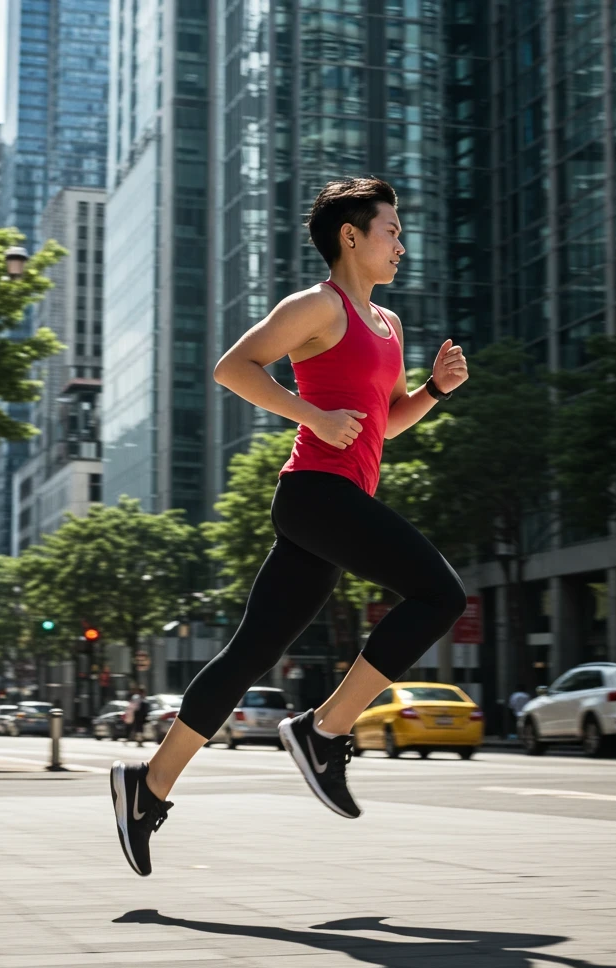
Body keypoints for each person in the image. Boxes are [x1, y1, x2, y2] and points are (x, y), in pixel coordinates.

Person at [110, 177, 469, 875]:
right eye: (390, 230)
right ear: (351, 237)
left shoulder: (390, 327)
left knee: (250, 654)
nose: (401, 242)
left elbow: (384, 423)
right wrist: (313, 417)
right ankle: (325, 727)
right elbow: (231, 367)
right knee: (440, 596)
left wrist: (433, 392)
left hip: (336, 503)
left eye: (400, 231)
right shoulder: (316, 306)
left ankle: (146, 787)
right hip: (314, 495)